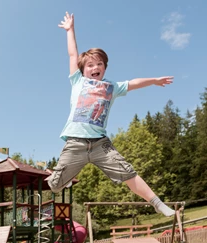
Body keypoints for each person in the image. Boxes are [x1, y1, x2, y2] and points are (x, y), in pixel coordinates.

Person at [47, 11, 175, 217]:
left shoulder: (111, 86)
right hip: (75, 143)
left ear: (105, 67)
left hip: (99, 144)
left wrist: (154, 80)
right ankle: (65, 175)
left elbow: (133, 82)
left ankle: (157, 203)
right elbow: (73, 55)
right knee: (54, 186)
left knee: (128, 172)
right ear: (83, 70)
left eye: (99, 64)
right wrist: (70, 30)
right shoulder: (77, 81)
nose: (95, 67)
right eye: (90, 65)